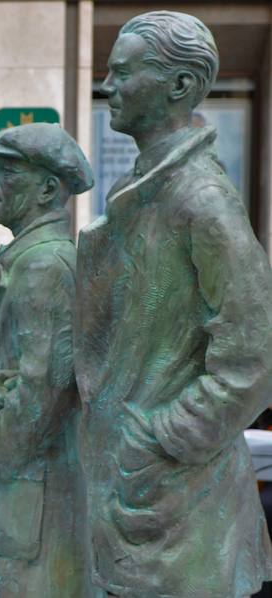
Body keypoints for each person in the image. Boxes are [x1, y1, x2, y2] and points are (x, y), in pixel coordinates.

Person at [75, 11, 272, 597]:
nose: (108, 87)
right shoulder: (141, 188)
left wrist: (165, 435)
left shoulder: (202, 200)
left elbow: (252, 357)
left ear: (180, 85)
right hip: (135, 493)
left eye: (123, 73)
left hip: (178, 502)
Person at [0, 123, 98, 596]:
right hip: (23, 489)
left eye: (7, 171)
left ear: (49, 188)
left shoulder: (46, 266)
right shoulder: (22, 260)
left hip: (39, 496)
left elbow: (41, 394)